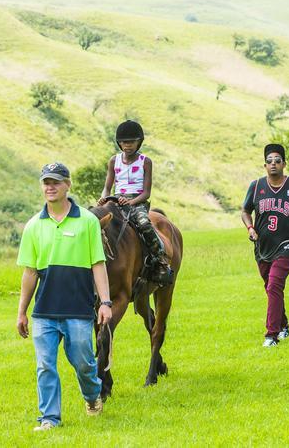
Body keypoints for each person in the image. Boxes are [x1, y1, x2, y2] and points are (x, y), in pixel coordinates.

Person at [17, 162, 113, 431]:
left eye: (56, 182)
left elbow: (98, 264)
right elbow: (30, 273)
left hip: (79, 310)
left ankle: (92, 395)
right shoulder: (34, 226)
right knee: (45, 366)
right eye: (46, 182)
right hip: (44, 312)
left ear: (67, 185)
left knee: (84, 363)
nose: (50, 187)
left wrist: (105, 302)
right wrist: (21, 312)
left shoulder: (88, 222)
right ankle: (49, 418)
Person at [240, 143, 289, 347]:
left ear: (284, 164)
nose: (273, 164)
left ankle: (271, 335)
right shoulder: (256, 187)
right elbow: (245, 211)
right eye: (269, 161)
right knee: (271, 288)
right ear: (265, 165)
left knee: (274, 284)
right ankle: (284, 326)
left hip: (287, 245)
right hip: (262, 246)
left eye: (277, 161)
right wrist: (250, 228)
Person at [101, 119, 173, 285]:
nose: (128, 146)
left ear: (139, 142)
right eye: (124, 142)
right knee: (96, 223)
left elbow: (146, 193)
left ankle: (160, 260)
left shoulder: (145, 162)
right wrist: (104, 197)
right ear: (119, 143)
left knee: (144, 224)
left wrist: (131, 202)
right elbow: (107, 187)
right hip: (115, 200)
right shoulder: (114, 161)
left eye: (132, 142)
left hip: (137, 202)